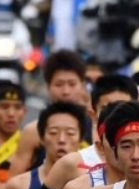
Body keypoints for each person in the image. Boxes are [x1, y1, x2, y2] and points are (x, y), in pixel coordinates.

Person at [7, 49, 91, 177]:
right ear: (48, 86)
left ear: (82, 85)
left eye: (72, 84)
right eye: (59, 84)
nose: (66, 91)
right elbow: (13, 181)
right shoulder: (33, 131)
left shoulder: (96, 128)